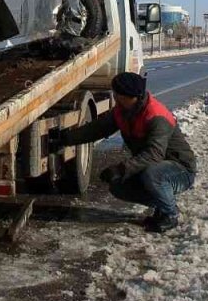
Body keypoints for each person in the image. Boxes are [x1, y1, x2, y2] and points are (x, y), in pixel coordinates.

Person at [51, 71, 197, 233]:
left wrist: (121, 169)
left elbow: (154, 154)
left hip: (180, 170)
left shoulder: (156, 117)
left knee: (152, 174)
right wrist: (66, 139)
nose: (115, 98)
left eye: (117, 95)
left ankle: (170, 214)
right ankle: (164, 204)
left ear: (129, 96)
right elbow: (97, 129)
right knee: (118, 186)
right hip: (155, 167)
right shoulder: (123, 111)